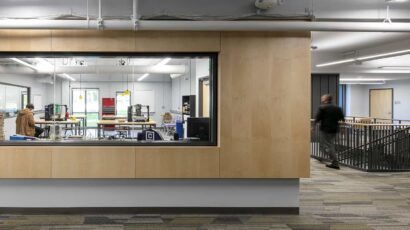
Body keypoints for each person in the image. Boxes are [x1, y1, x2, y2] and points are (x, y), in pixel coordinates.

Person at [314, 94, 345, 170]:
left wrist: (313, 126)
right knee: (329, 144)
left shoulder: (322, 107)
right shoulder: (338, 108)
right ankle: (325, 157)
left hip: (325, 129)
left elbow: (318, 118)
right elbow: (342, 118)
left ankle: (335, 162)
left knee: (328, 145)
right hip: (334, 129)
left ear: (326, 99)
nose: (321, 99)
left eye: (323, 98)